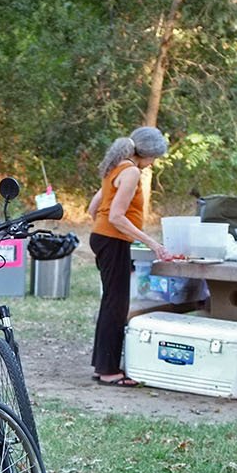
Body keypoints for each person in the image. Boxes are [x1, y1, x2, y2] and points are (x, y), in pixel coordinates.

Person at [87, 126, 170, 387]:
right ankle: (110, 371)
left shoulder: (116, 166)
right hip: (112, 240)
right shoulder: (132, 171)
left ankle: (103, 366)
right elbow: (116, 216)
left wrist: (105, 232)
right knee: (117, 304)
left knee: (111, 301)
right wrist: (153, 243)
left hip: (103, 239)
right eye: (154, 158)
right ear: (146, 154)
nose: (152, 164)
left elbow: (93, 208)